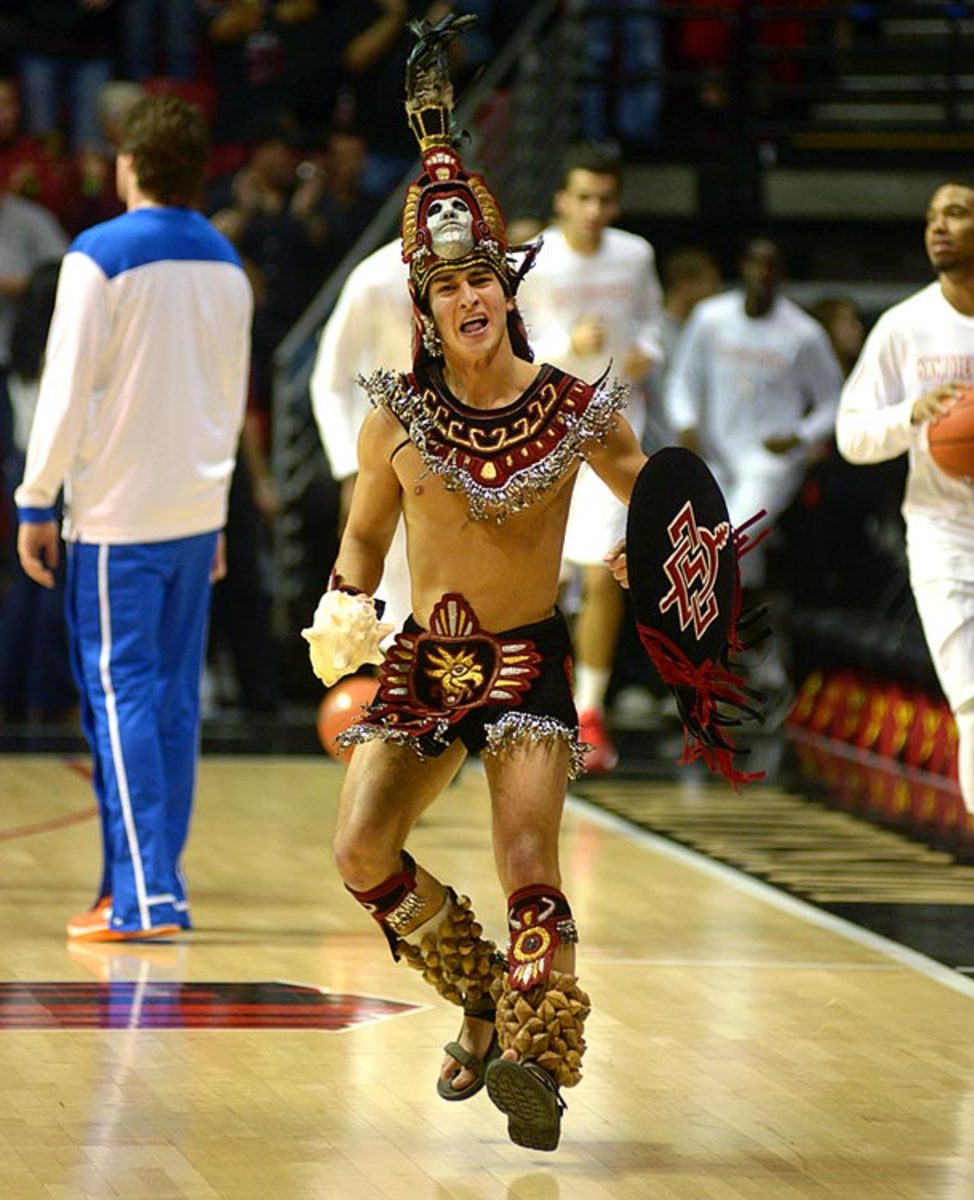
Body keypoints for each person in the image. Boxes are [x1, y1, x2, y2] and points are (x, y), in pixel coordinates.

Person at [300, 14, 653, 1152]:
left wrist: (654, 546)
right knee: (360, 852)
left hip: (527, 660)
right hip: (419, 662)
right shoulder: (390, 419)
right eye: (445, 282)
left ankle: (539, 1061)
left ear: (505, 284)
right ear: (422, 303)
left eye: (481, 276)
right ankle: (480, 995)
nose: (469, 294)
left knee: (526, 866)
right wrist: (341, 603)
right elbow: (360, 542)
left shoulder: (570, 406)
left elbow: (652, 484)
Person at [14, 94, 253, 941]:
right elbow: (229, 404)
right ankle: (140, 884)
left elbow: (64, 385)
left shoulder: (97, 255)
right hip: (192, 514)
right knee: (170, 704)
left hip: (117, 515)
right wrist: (219, 514)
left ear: (128, 166)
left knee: (119, 701)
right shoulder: (228, 262)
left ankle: (147, 895)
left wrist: (36, 495)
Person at [516, 142, 664, 771]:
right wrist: (563, 343)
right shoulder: (533, 261)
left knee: (606, 571)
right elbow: (510, 347)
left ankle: (591, 711)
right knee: (539, 579)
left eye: (606, 199)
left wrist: (648, 351)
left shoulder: (636, 256)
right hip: (544, 433)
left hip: (615, 430)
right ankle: (526, 702)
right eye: (584, 198)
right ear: (562, 201)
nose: (595, 209)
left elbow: (655, 322)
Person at [835, 181, 974, 816]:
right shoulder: (905, 325)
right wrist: (910, 416)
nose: (937, 226)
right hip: (943, 532)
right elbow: (851, 437)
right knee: (972, 698)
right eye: (931, 216)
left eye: (956, 213)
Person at [309, 236, 412, 633]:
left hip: (465, 451)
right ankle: (390, 691)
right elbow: (329, 379)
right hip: (389, 452)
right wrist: (350, 469)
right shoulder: (375, 277)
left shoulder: (484, 275)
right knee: (381, 597)